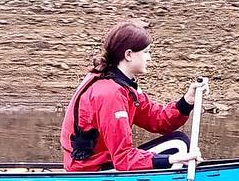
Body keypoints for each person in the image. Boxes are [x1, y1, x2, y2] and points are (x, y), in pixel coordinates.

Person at [60, 20, 203, 172]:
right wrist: (172, 159)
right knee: (179, 146)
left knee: (179, 141)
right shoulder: (110, 94)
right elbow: (123, 158)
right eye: (146, 52)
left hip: (105, 161)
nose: (149, 58)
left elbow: (159, 121)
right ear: (128, 54)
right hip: (92, 169)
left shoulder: (122, 84)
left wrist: (188, 100)